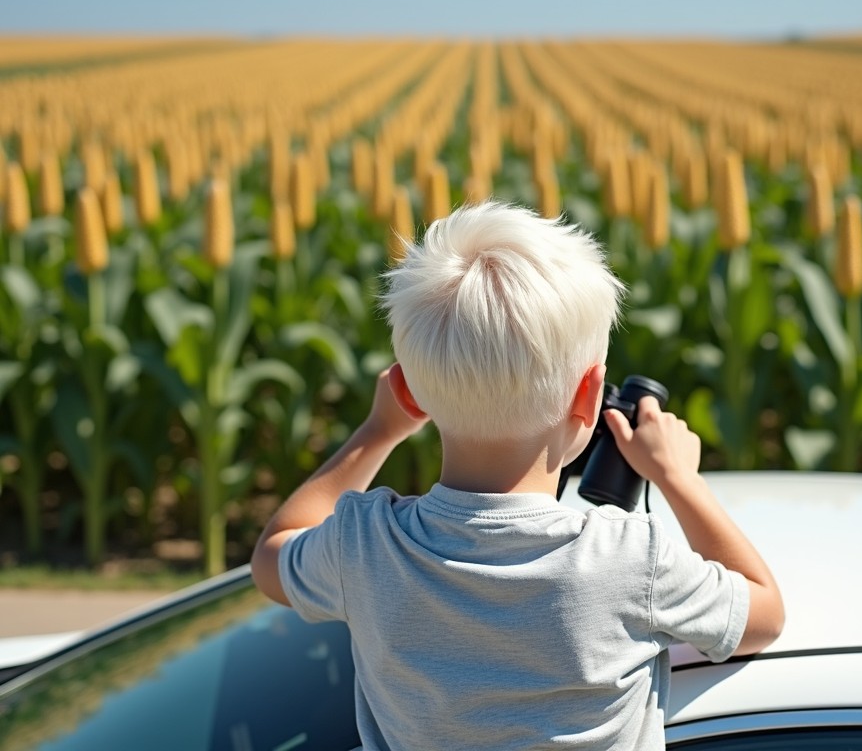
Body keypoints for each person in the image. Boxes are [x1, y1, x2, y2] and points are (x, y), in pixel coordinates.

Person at [251, 200, 784, 750]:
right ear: (590, 395)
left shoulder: (364, 547)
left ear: (408, 390)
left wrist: (378, 430)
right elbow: (763, 615)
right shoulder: (630, 562)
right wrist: (677, 477)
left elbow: (272, 557)